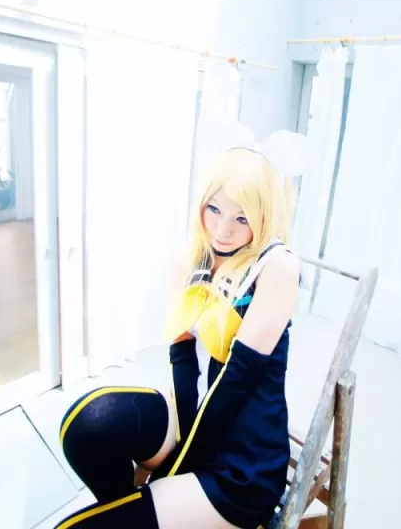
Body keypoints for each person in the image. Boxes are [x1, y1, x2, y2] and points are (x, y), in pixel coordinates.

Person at [53, 145, 301, 529]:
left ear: (264, 217)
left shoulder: (277, 265)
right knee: (85, 427)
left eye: (242, 217)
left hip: (242, 462)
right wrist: (179, 445)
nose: (222, 230)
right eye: (214, 209)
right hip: (191, 417)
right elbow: (182, 357)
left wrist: (175, 469)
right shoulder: (190, 258)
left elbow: (237, 380)